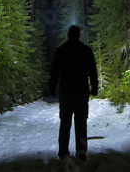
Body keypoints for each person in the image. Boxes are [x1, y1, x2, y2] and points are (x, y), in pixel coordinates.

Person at [49, 25, 98, 163]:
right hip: (81, 92)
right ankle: (81, 153)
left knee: (65, 123)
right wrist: (94, 87)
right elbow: (92, 71)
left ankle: (63, 152)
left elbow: (54, 72)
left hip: (66, 93)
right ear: (79, 35)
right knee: (81, 124)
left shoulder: (61, 50)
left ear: (68, 35)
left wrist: (52, 88)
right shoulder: (86, 50)